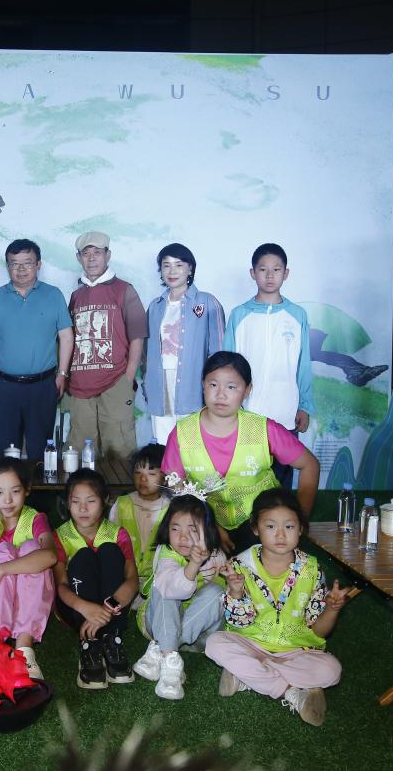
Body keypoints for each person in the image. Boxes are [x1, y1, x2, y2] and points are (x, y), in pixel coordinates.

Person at [206, 488, 349, 727]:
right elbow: (238, 622)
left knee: (332, 670)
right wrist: (236, 592)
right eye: (270, 526)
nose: (280, 534)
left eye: (289, 526)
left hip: (295, 651)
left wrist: (332, 609)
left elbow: (319, 631)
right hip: (250, 643)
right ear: (256, 528)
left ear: (300, 529)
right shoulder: (239, 565)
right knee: (214, 643)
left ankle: (247, 675)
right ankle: (291, 692)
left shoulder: (312, 570)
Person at [162, 351, 319, 555]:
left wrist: (299, 521)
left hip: (264, 528)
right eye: (213, 385)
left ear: (247, 390)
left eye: (231, 387)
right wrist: (210, 526)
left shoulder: (264, 429)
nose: (221, 395)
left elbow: (309, 465)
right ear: (203, 385)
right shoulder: (182, 433)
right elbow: (176, 489)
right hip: (206, 528)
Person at [222, 243, 314, 486]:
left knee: (282, 481)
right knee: (247, 479)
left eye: (276, 269)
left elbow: (303, 365)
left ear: (286, 273)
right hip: (247, 411)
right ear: (253, 273)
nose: (270, 276)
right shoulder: (239, 314)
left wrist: (304, 406)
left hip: (285, 411)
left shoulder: (297, 315)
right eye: (263, 270)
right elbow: (228, 366)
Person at [0, 458, 57, 683]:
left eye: (15, 491)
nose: (7, 500)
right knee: (4, 550)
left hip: (25, 596)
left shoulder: (35, 519)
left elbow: (50, 556)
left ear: (27, 490)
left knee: (33, 548)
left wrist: (2, 570)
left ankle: (24, 649)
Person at [0, 238, 74, 459]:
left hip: (43, 386)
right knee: (5, 453)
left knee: (40, 454)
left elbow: (66, 336)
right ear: (7, 266)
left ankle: (39, 484)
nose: (21, 269)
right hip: (5, 386)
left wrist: (62, 374)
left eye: (28, 263)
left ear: (38, 264)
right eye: (15, 263)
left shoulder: (54, 295)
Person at [131, 495, 226, 700]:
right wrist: (193, 564)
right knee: (164, 590)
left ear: (207, 531)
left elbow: (219, 604)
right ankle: (171, 662)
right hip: (158, 623)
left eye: (192, 530)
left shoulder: (217, 556)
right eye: (175, 528)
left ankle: (162, 649)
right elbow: (173, 589)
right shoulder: (166, 552)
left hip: (197, 635)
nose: (182, 537)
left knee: (217, 593)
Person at [53, 468, 139, 689]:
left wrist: (107, 609)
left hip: (113, 606)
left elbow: (132, 580)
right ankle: (89, 643)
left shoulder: (117, 534)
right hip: (76, 607)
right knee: (83, 556)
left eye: (90, 501)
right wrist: (86, 609)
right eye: (76, 502)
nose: (83, 508)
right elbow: (61, 586)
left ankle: (111, 638)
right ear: (68, 503)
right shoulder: (60, 535)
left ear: (105, 501)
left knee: (109, 550)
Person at [67, 231, 147, 460]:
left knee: (118, 448)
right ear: (79, 258)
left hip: (115, 382)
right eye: (86, 253)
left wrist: (128, 377)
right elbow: (69, 339)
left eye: (97, 252)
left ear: (108, 255)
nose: (92, 258)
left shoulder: (124, 290)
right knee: (80, 450)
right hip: (81, 385)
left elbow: (137, 337)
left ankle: (118, 486)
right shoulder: (76, 295)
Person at [143, 243, 225, 444]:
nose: (172, 271)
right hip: (160, 384)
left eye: (179, 265)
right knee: (164, 443)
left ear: (190, 269)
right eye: (166, 265)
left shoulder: (207, 302)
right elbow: (146, 352)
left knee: (193, 444)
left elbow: (220, 351)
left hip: (193, 383)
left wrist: (214, 385)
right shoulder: (155, 306)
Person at [108, 443, 169, 598]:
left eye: (151, 473)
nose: (143, 478)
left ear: (165, 479)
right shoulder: (122, 504)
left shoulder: (171, 509)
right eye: (137, 472)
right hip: (125, 577)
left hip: (158, 579)